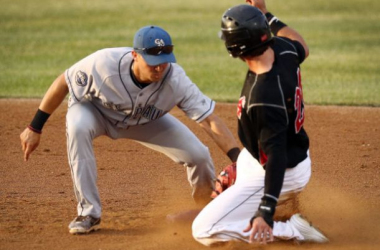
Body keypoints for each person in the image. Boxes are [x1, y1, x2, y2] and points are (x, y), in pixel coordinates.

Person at [20, 25, 241, 235]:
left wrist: (238, 159)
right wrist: (34, 126)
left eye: (164, 61)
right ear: (135, 55)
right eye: (153, 61)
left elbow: (210, 120)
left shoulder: (176, 80)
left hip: (143, 121)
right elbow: (63, 83)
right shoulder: (103, 63)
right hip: (96, 113)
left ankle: (207, 212)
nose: (159, 67)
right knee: (77, 127)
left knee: (199, 155)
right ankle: (88, 214)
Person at [192, 0, 329, 246]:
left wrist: (266, 210)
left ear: (236, 47)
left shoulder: (264, 98)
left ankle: (290, 228)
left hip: (282, 171)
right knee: (245, 164)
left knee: (203, 229)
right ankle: (238, 202)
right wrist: (267, 14)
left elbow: (276, 158)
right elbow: (303, 47)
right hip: (282, 151)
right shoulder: (283, 49)